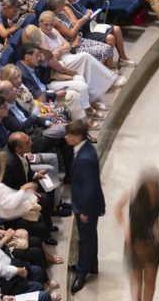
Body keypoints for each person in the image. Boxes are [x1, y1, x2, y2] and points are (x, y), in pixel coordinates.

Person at [115, 167, 159, 301]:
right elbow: (118, 208)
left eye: (155, 185)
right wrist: (125, 226)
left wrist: (158, 226)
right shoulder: (133, 194)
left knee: (150, 282)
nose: (152, 189)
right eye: (149, 185)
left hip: (152, 244)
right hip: (134, 242)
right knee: (137, 284)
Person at [66, 120, 105, 294]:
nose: (66, 137)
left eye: (69, 134)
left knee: (84, 239)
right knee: (90, 236)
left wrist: (84, 211)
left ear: (78, 136)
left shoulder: (86, 157)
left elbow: (90, 188)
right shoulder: (83, 150)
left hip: (86, 207)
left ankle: (81, 275)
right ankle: (92, 266)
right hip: (85, 204)